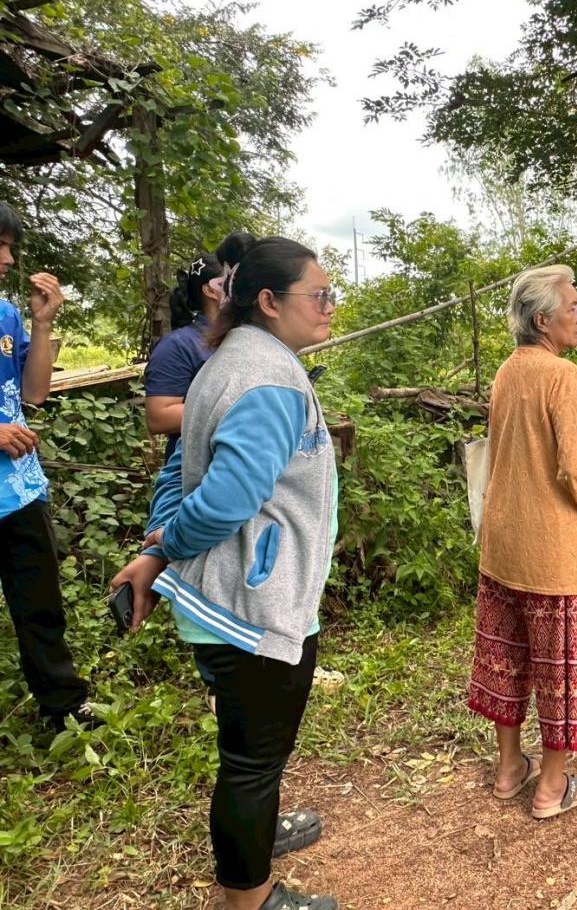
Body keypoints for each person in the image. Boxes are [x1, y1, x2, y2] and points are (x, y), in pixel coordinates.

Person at [111, 233, 340, 910]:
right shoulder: (267, 379)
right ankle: (248, 898)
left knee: (250, 754)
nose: (329, 307)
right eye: (319, 295)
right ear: (269, 302)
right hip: (252, 602)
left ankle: (256, 838)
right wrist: (171, 541)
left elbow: (181, 469)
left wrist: (157, 552)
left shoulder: (224, 362)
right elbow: (225, 500)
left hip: (224, 597)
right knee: (253, 762)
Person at [467, 264, 577, 819]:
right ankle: (552, 787)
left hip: (503, 542)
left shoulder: (508, 370)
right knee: (560, 669)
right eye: (573, 307)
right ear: (541, 320)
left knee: (507, 658)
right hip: (550, 550)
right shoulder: (561, 376)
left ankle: (510, 770)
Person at [0, 201, 98, 731]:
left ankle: (62, 707)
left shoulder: (5, 315)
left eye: (10, 246)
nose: (9, 259)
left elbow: (33, 393)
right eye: (1, 245)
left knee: (39, 605)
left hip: (17, 489)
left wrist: (40, 325)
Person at [144, 252, 223, 460]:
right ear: (211, 290)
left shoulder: (244, 339)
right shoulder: (178, 346)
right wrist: (239, 408)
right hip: (193, 468)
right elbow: (159, 417)